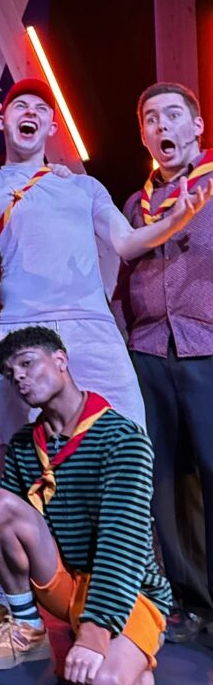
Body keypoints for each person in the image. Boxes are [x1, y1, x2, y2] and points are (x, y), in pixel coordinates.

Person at [0, 77, 208, 621]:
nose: (29, 113)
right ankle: (30, 584)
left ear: (53, 127)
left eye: (40, 108)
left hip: (92, 330)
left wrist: (178, 218)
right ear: (5, 123)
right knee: (26, 463)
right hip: (24, 330)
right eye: (18, 108)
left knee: (133, 449)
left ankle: (131, 580)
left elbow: (128, 242)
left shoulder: (84, 187)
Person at [0, 327, 170, 685]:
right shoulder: (27, 443)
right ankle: (28, 629)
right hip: (64, 582)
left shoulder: (122, 438)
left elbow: (122, 543)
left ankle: (136, 664)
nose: (21, 378)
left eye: (27, 363)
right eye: (13, 375)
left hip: (129, 592)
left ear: (61, 361)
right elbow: (2, 525)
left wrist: (95, 635)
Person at [116, 80, 213, 642]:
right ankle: (189, 601)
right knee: (167, 483)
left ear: (196, 127)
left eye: (173, 116)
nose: (162, 127)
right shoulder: (136, 203)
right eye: (151, 119)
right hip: (151, 350)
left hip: (207, 347)